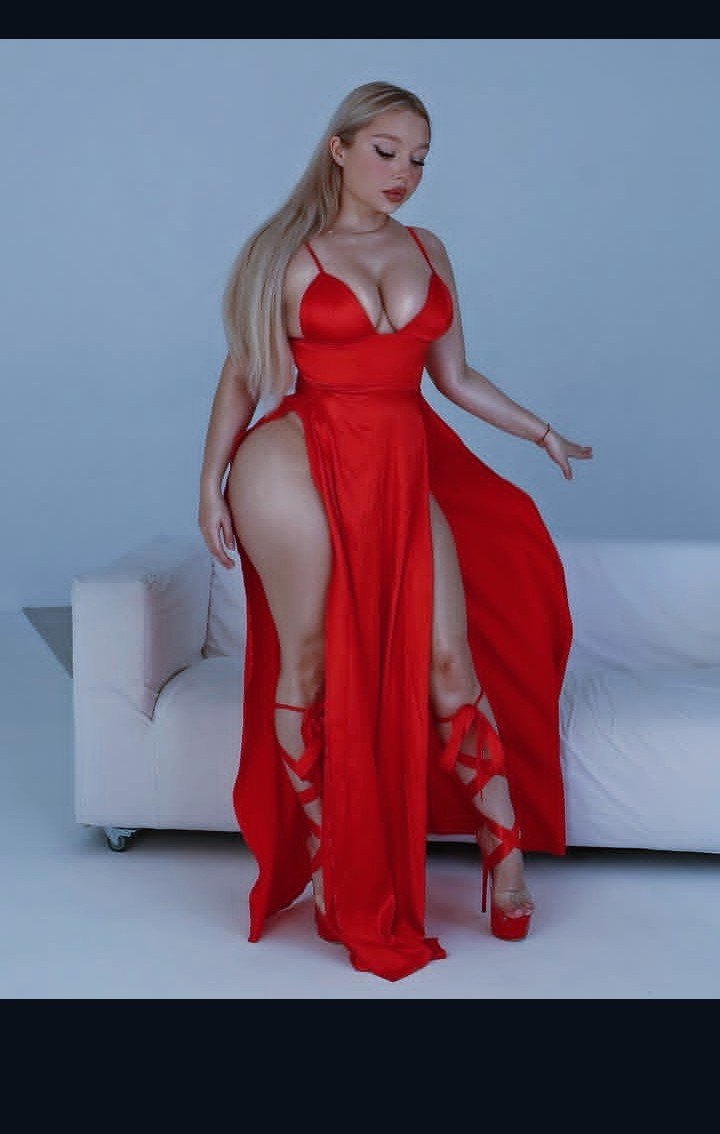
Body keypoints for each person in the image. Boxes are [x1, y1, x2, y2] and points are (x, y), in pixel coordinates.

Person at [198, 80, 593, 982]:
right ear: (338, 149)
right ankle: (333, 860)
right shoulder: (283, 251)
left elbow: (454, 377)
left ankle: (506, 857)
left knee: (449, 662)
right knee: (309, 660)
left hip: (402, 464)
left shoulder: (428, 249)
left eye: (418, 158)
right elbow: (242, 375)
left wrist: (539, 431)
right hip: (298, 459)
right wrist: (208, 485)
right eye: (386, 151)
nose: (404, 173)